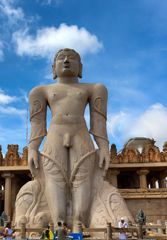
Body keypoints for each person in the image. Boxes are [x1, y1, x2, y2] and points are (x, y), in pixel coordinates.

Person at [28, 48, 110, 230]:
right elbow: (37, 124)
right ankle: (58, 222)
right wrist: (33, 148)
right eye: (61, 58)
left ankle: (80, 221)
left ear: (80, 67)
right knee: (54, 178)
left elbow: (98, 121)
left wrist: (104, 146)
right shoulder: (40, 91)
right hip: (54, 136)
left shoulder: (94, 88)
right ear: (53, 68)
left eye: (71, 58)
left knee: (83, 178)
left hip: (80, 135)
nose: (66, 60)